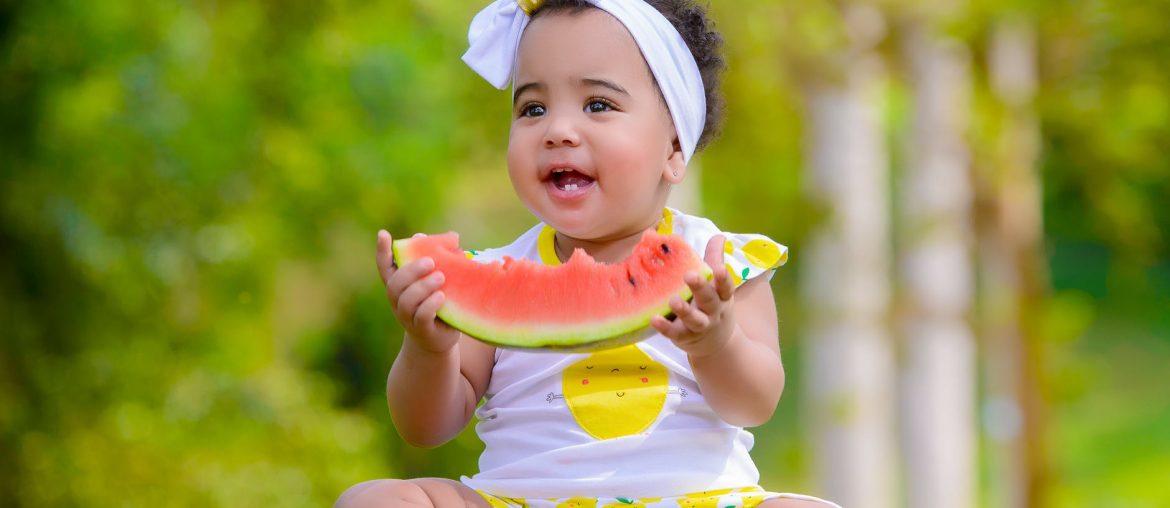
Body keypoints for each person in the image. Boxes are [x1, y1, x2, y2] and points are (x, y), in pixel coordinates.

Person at [338, 0, 840, 506]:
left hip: (697, 499)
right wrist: (427, 348)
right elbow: (425, 429)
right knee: (374, 500)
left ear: (673, 147)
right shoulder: (482, 275)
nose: (557, 130)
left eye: (598, 104)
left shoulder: (722, 265)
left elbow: (755, 404)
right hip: (520, 500)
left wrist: (717, 342)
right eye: (532, 109)